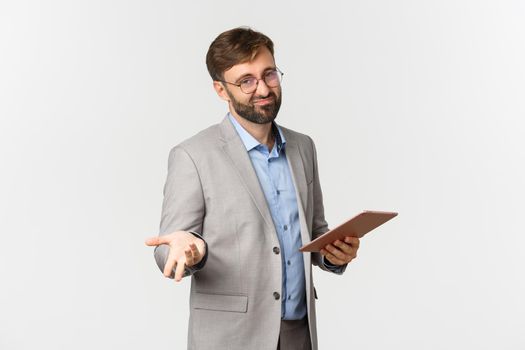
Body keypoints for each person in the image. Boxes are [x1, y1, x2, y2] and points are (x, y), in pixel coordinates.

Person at [145, 27, 360, 350]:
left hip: (299, 333)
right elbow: (168, 249)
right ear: (221, 90)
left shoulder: (303, 147)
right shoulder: (192, 155)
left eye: (269, 74)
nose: (262, 88)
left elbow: (315, 233)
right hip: (231, 337)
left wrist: (334, 255)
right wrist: (190, 251)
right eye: (246, 80)